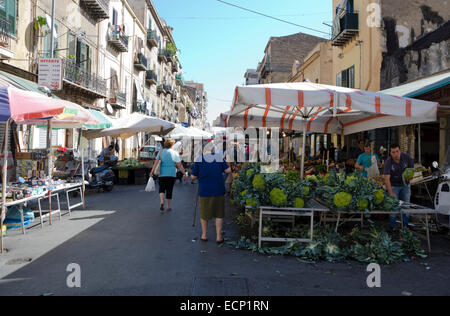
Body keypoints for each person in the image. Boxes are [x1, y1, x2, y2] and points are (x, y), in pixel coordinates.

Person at [191, 146, 232, 244]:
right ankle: (218, 236)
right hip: (218, 189)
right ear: (213, 150)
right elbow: (228, 171)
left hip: (204, 190)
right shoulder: (219, 157)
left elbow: (193, 176)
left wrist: (196, 177)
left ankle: (204, 235)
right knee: (218, 213)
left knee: (204, 213)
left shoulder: (199, 159)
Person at [150, 138, 188, 213]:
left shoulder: (160, 152)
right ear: (172, 145)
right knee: (169, 190)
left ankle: (161, 202)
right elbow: (179, 165)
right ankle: (168, 206)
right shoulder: (175, 153)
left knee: (162, 188)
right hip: (171, 174)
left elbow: (156, 163)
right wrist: (184, 174)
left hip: (162, 174)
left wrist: (152, 171)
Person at [383, 144, 414, 230]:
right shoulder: (388, 162)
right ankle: (392, 226)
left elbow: (411, 172)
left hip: (405, 185)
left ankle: (405, 225)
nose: (396, 154)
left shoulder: (407, 158)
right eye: (393, 152)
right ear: (390, 153)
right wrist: (391, 192)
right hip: (393, 185)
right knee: (393, 206)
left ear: (400, 151)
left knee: (406, 205)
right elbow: (386, 179)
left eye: (397, 151)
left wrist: (410, 177)